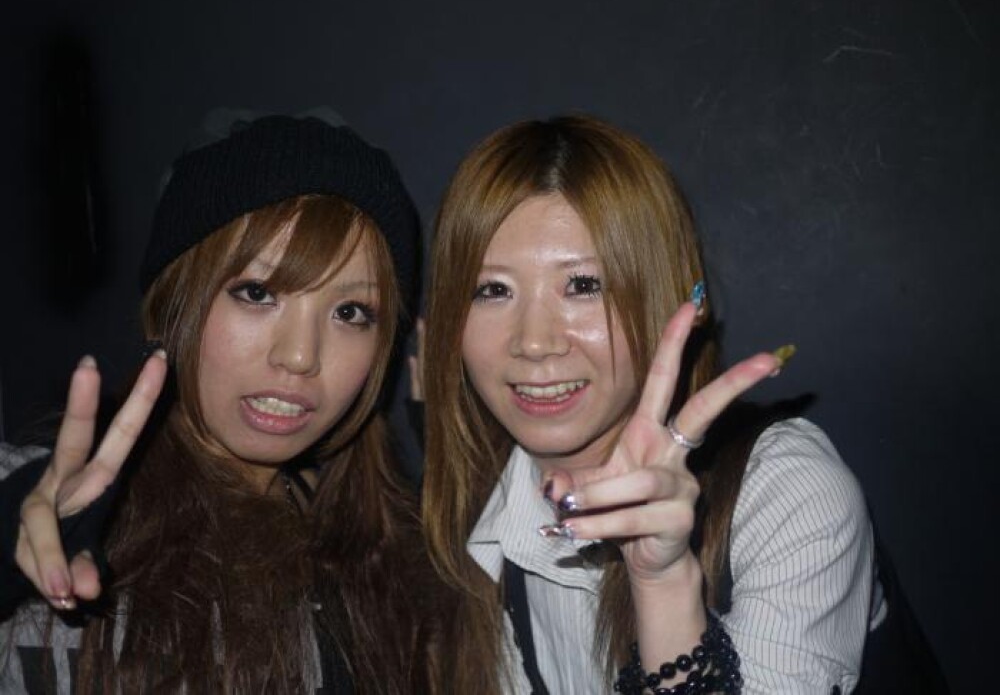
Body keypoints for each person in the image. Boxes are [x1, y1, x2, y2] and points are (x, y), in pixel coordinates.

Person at [420, 114, 882, 693]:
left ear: (665, 297)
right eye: (493, 290)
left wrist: (663, 585)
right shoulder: (472, 513)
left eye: (584, 285)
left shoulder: (786, 487)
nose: (534, 342)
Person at [0, 110, 440, 693]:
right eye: (256, 293)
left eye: (350, 312)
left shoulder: (391, 557)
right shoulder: (63, 504)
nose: (300, 356)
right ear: (175, 303)